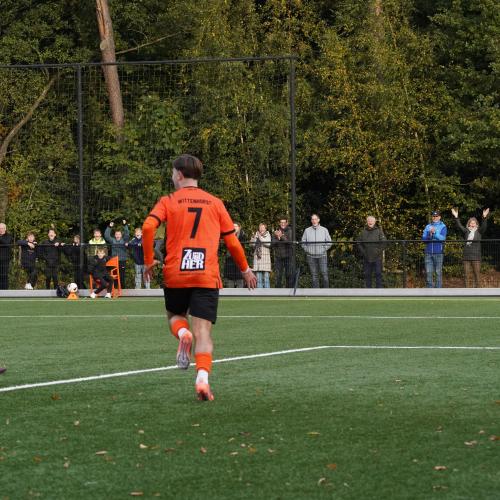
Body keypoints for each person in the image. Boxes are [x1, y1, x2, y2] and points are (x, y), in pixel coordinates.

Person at [142, 154, 256, 401]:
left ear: (179, 174)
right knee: (203, 333)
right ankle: (202, 379)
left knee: (175, 317)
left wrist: (149, 260)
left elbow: (148, 227)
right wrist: (245, 269)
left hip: (176, 273)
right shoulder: (215, 203)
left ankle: (183, 333)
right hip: (206, 274)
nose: (172, 177)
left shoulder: (168, 200)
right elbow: (232, 241)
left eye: (172, 173)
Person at [451, 207, 489, 288]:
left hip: (476, 257)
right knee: (466, 275)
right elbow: (459, 226)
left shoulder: (479, 231)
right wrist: (456, 217)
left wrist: (484, 217)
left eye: (474, 223)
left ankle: (477, 291)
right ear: (468, 224)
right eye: (471, 223)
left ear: (476, 224)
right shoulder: (466, 231)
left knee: (477, 275)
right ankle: (467, 291)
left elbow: (484, 226)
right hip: (466, 257)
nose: (472, 224)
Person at [301, 214, 332, 288]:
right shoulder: (307, 230)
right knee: (314, 275)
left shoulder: (324, 230)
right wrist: (307, 250)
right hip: (310, 256)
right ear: (311, 221)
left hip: (322, 256)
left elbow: (329, 242)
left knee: (324, 273)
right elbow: (303, 242)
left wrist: (323, 249)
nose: (314, 221)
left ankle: (327, 291)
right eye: (312, 219)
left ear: (318, 220)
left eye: (315, 219)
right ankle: (315, 292)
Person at [357, 215, 387, 288]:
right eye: (369, 221)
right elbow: (358, 243)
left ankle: (379, 290)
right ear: (367, 222)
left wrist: (378, 251)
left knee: (378, 274)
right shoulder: (363, 232)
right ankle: (368, 291)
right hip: (367, 257)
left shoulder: (379, 231)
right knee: (367, 275)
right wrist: (364, 252)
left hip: (377, 257)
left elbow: (384, 242)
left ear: (374, 222)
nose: (370, 222)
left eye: (372, 221)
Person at [422, 210, 447, 288]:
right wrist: (430, 235)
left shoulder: (443, 226)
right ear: (432, 217)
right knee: (428, 272)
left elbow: (442, 238)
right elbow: (424, 239)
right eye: (433, 216)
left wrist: (435, 233)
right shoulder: (427, 226)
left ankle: (438, 289)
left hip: (438, 252)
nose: (435, 217)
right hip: (428, 252)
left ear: (439, 217)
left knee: (438, 272)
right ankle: (429, 289)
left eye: (436, 216)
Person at [105, 220, 130, 287]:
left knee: (122, 275)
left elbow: (127, 234)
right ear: (115, 235)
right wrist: (109, 227)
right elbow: (107, 236)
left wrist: (125, 225)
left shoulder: (124, 240)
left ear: (121, 235)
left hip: (122, 260)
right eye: (116, 234)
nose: (117, 235)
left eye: (119, 234)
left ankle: (123, 288)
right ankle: (116, 288)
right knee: (114, 275)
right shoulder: (112, 240)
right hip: (114, 261)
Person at [272, 218, 293, 287]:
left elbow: (289, 242)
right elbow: (272, 243)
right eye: (281, 222)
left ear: (287, 223)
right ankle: (278, 290)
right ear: (279, 223)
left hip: (288, 256)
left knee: (288, 274)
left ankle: (288, 289)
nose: (282, 224)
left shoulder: (289, 230)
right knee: (278, 275)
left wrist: (281, 236)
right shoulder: (276, 231)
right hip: (278, 256)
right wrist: (278, 237)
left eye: (284, 222)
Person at [223, 222, 246, 288]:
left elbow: (242, 245)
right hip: (230, 258)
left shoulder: (242, 235)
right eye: (233, 226)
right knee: (230, 275)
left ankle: (240, 289)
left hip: (238, 258)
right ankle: (230, 288)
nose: (234, 228)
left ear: (239, 227)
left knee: (239, 276)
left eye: (236, 226)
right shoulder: (229, 235)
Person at [251, 223, 272, 288]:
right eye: (260, 227)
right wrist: (254, 238)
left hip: (265, 259)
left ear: (265, 229)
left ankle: (267, 292)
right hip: (257, 259)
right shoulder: (256, 235)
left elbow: (268, 244)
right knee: (258, 278)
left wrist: (260, 237)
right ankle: (259, 292)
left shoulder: (268, 235)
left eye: (263, 227)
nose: (261, 229)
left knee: (266, 278)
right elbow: (252, 245)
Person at [0, 223, 13, 289]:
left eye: (2, 228)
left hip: (5, 259)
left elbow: (7, 243)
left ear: (5, 229)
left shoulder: (9, 236)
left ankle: (5, 290)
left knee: (4, 275)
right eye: (0, 228)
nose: (0, 230)